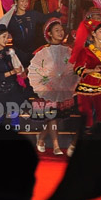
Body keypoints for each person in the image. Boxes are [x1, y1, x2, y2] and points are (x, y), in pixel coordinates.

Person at [33, 19, 74, 155]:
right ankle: (56, 146)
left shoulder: (67, 50)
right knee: (52, 116)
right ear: (49, 33)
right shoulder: (43, 50)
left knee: (56, 116)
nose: (60, 32)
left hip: (62, 87)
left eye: (61, 30)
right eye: (57, 30)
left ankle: (41, 138)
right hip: (47, 88)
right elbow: (37, 69)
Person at [7, 0, 62, 69]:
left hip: (33, 52)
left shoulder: (32, 14)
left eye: (27, 1)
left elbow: (45, 17)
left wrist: (57, 11)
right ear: (16, 2)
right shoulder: (11, 19)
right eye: (22, 1)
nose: (25, 3)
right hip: (19, 53)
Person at [0, 25, 27, 127]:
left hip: (13, 89)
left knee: (15, 118)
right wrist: (12, 72)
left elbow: (24, 58)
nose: (6, 39)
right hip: (1, 90)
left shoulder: (10, 51)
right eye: (4, 37)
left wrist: (22, 70)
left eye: (7, 37)